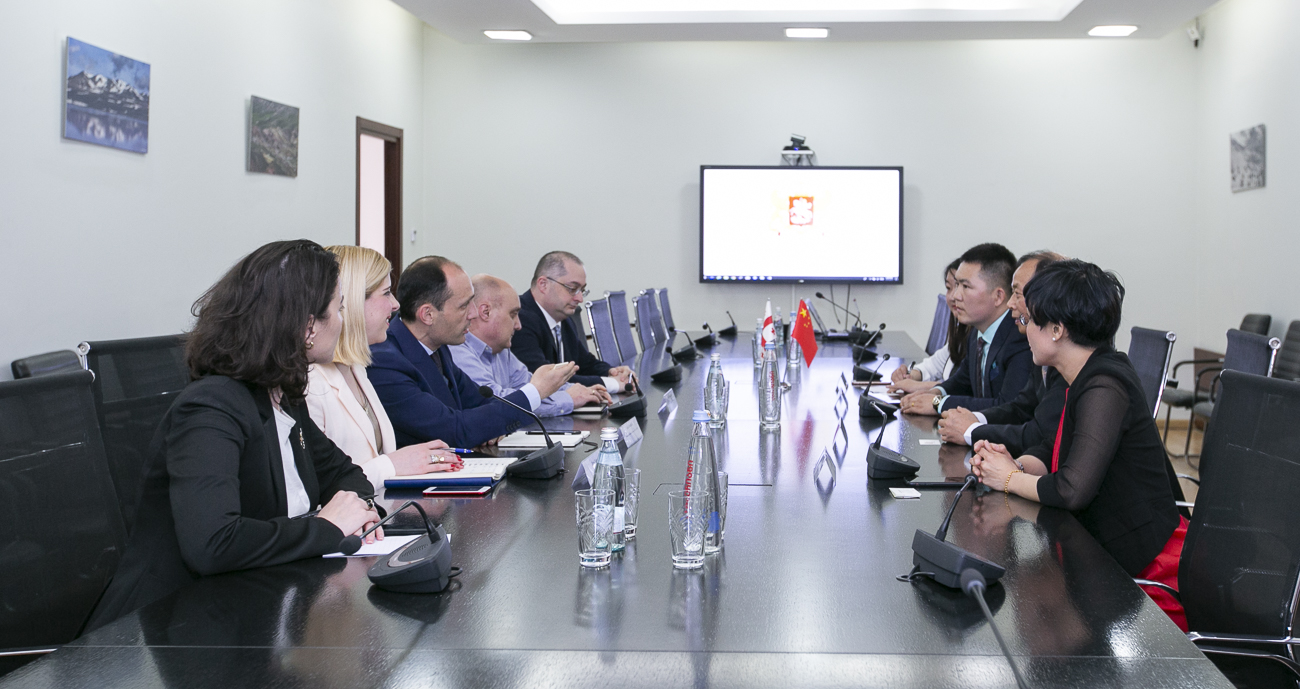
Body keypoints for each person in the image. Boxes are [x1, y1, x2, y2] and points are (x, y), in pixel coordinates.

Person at [88, 240, 383, 630]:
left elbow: (346, 475)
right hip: (171, 626)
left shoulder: (282, 395)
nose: (344, 321)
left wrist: (357, 512)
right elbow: (213, 542)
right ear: (308, 327)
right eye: (340, 308)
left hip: (256, 607)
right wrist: (326, 528)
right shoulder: (212, 406)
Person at [968, 259, 1186, 630]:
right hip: (1103, 555)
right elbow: (1054, 451)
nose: (1024, 329)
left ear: (1057, 330)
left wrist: (1009, 479)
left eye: (1030, 321)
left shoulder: (1105, 385)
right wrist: (1016, 465)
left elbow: (1073, 489)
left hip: (1146, 575)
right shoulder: (1079, 376)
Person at [367, 256, 575, 448]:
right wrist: (535, 391)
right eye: (464, 306)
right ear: (428, 314)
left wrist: (490, 426)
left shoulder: (438, 347)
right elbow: (454, 430)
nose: (473, 314)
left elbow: (481, 402)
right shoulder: (384, 361)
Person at [306, 246, 463, 492]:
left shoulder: (357, 368)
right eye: (387, 293)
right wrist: (393, 464)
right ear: (353, 302)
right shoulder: (310, 383)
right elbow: (315, 486)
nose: (396, 304)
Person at [937, 250, 1068, 454]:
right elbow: (1020, 407)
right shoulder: (1043, 352)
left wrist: (971, 430)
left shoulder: (1056, 357)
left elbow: (1038, 434)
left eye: (1017, 294)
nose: (1010, 303)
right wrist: (974, 419)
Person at [899, 243, 1034, 416]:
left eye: (966, 286)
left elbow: (1008, 406)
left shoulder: (1019, 336)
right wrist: (934, 393)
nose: (956, 296)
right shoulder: (977, 331)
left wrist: (938, 403)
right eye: (956, 285)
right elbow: (963, 381)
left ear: (998, 296)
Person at [452, 274, 611, 418]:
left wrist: (581, 390)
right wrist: (568, 398)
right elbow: (499, 402)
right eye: (513, 315)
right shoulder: (458, 351)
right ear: (485, 312)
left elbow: (529, 385)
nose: (518, 325)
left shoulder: (500, 350)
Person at [511, 251, 633, 390]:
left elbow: (584, 363)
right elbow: (545, 379)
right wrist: (613, 384)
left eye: (582, 290)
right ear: (543, 284)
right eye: (573, 289)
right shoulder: (519, 320)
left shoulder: (564, 319)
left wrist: (613, 372)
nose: (579, 298)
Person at [890, 258, 968, 394]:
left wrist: (920, 387)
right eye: (949, 288)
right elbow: (934, 365)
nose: (953, 296)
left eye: (961, 287)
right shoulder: (960, 331)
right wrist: (911, 375)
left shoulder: (980, 336)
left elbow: (965, 389)